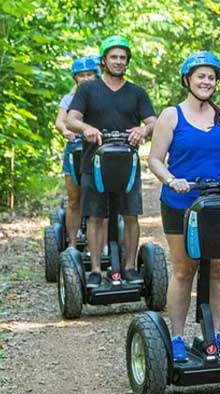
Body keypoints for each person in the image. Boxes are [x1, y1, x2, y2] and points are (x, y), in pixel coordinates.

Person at [148, 51, 220, 362]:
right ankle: (177, 337)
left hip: (219, 203)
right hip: (181, 202)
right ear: (187, 79)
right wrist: (171, 180)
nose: (207, 81)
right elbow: (154, 159)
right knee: (184, 270)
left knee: (217, 269)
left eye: (211, 77)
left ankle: (217, 334)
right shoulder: (171, 115)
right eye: (200, 76)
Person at [65, 35, 157, 288]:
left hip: (127, 165)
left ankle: (128, 267)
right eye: (113, 57)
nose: (118, 61)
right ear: (104, 60)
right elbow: (71, 119)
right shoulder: (87, 90)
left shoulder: (136, 92)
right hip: (93, 163)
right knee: (95, 216)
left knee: (130, 215)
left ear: (127, 62)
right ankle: (95, 269)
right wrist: (86, 128)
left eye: (122, 58)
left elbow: (153, 121)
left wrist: (143, 130)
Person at [53, 56, 100, 249]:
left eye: (90, 74)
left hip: (97, 149)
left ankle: (96, 245)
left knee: (98, 200)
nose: (86, 78)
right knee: (74, 199)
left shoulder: (103, 96)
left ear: (96, 75)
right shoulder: (69, 99)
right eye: (82, 75)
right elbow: (60, 121)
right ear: (76, 78)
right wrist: (65, 131)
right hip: (75, 149)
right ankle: (72, 245)